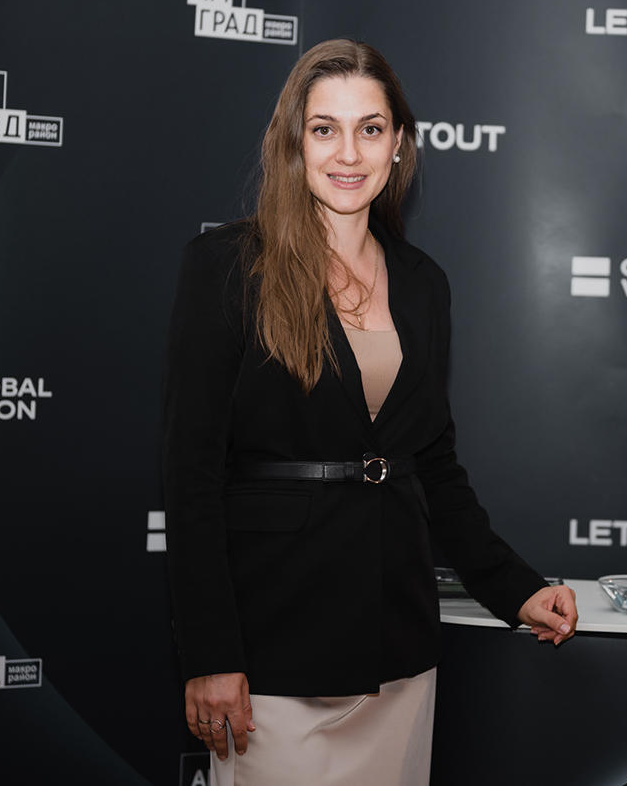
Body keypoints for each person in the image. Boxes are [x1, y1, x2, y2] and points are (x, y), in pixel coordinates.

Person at [161, 38, 577, 786]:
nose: (348, 152)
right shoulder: (228, 266)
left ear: (398, 145)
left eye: (371, 128)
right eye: (324, 128)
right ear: (293, 143)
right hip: (272, 649)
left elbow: (433, 464)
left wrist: (515, 588)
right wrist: (210, 655)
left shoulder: (424, 283)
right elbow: (191, 476)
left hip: (397, 649)